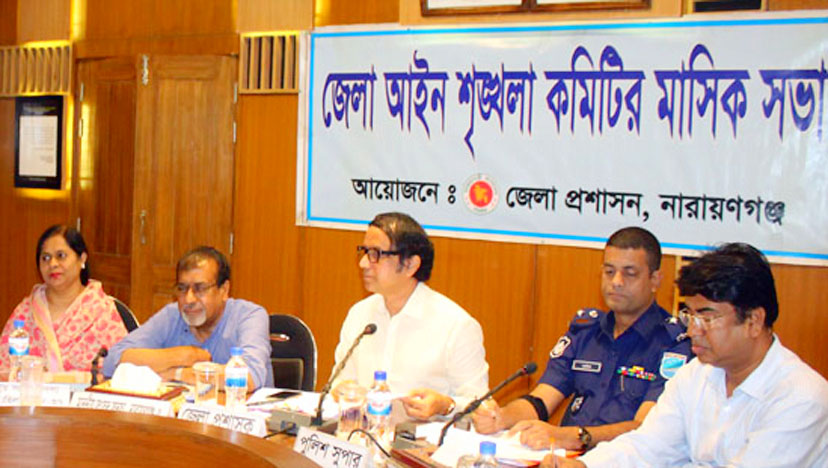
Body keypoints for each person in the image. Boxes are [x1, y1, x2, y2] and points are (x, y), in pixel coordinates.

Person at [544, 243, 828, 468]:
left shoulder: (801, 398)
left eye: (706, 318)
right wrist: (584, 465)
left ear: (753, 321)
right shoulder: (696, 375)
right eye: (689, 315)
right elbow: (648, 447)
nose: (692, 331)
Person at [473, 227, 691, 451]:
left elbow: (647, 429)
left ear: (655, 280)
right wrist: (502, 417)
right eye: (609, 271)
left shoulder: (675, 344)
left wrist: (575, 436)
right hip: (566, 458)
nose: (616, 281)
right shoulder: (585, 331)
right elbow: (541, 400)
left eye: (630, 273)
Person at [332, 212, 489, 419]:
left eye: (376, 254)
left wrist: (446, 405)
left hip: (424, 437)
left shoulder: (457, 326)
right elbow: (340, 382)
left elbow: (481, 406)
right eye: (364, 252)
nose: (363, 263)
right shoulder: (360, 314)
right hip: (363, 433)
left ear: (410, 265)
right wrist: (342, 390)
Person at [103, 246, 272, 390]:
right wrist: (182, 356)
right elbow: (113, 361)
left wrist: (177, 373)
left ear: (224, 290)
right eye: (182, 289)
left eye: (200, 289)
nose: (189, 299)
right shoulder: (172, 315)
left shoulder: (249, 316)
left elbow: (249, 377)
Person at [0, 225, 127, 373]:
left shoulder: (102, 311)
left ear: (82, 259)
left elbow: (121, 370)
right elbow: (4, 368)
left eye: (61, 256)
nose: (52, 264)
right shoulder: (26, 311)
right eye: (45, 258)